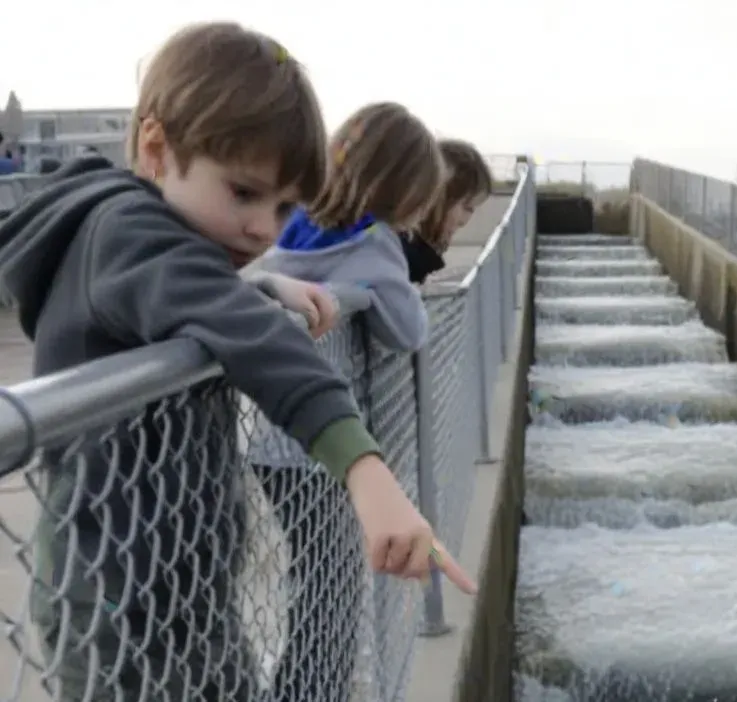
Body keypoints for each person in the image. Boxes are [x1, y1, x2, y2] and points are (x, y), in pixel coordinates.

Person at [0, 22, 475, 702]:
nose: (262, 228)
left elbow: (185, 294)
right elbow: (252, 335)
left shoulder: (147, 245)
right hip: (116, 607)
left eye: (285, 207)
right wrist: (367, 470)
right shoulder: (125, 231)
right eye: (244, 193)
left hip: (178, 585)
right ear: (158, 150)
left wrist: (252, 285)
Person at [244, 101, 447, 702]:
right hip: (327, 443)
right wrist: (387, 286)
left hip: (270, 439)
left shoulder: (293, 224)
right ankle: (308, 691)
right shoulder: (375, 243)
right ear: (403, 191)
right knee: (331, 588)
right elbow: (407, 331)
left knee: (310, 578)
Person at [401, 138, 493, 284]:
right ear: (438, 196)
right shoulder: (396, 259)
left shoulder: (394, 249)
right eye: (467, 207)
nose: (464, 221)